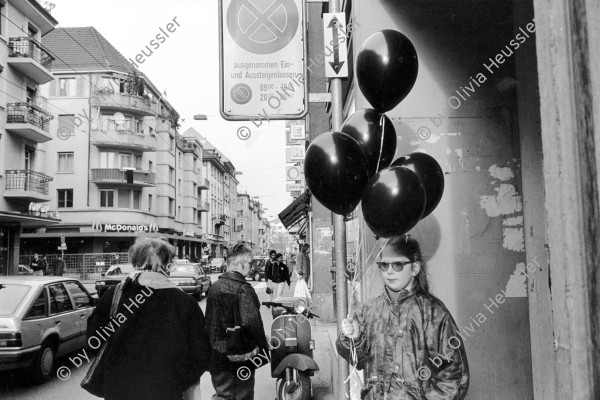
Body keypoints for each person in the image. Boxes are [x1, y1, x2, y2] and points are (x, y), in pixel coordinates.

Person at [336, 235, 469, 400]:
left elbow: (454, 375)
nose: (389, 271)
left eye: (398, 264)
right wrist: (354, 338)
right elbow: (359, 360)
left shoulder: (433, 313)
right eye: (384, 265)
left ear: (415, 268)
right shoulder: (369, 310)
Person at [86, 236, 211, 400]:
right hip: (166, 390)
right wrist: (178, 382)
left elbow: (93, 341)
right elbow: (201, 353)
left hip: (119, 388)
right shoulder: (184, 301)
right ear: (168, 266)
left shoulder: (114, 295)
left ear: (135, 262)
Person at [205, 243, 269, 400]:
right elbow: (252, 323)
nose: (251, 266)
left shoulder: (215, 287)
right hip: (241, 355)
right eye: (250, 262)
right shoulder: (244, 289)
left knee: (222, 394)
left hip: (217, 356)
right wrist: (263, 346)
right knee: (243, 394)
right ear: (239, 264)